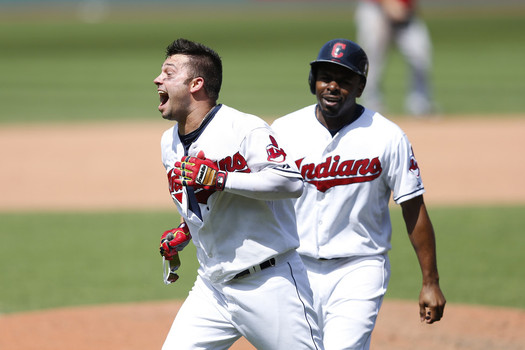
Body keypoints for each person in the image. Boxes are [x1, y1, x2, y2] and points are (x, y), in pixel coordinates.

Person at [272, 38, 446, 349]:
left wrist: (430, 281)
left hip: (359, 267)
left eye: (344, 80)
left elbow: (413, 207)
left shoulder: (387, 136)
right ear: (313, 81)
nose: (332, 87)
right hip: (295, 267)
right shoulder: (284, 130)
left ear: (360, 86)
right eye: (325, 78)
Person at [153, 38, 324, 350]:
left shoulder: (243, 128)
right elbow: (203, 201)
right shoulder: (169, 143)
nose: (157, 79)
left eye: (168, 73)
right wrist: (185, 230)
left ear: (196, 84)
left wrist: (221, 178)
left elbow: (289, 183)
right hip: (211, 287)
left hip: (269, 285)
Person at [355, 0, 434, 116]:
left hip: (406, 11)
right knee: (371, 59)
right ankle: (371, 104)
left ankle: (420, 104)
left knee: (420, 53)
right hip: (375, 9)